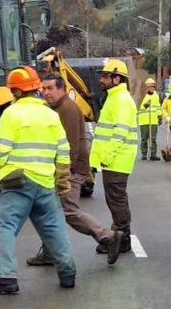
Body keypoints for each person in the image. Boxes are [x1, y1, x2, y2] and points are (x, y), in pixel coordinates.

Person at [0, 66, 76, 295]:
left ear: (15, 91)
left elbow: (1, 151)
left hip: (17, 182)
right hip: (45, 182)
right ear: (36, 89)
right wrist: (62, 181)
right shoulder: (51, 115)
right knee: (53, 227)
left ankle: (6, 279)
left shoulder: (11, 114)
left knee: (5, 226)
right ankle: (68, 274)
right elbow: (63, 152)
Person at [26, 73, 123, 268]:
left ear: (61, 89)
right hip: (61, 168)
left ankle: (108, 237)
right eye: (43, 89)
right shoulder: (54, 108)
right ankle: (49, 252)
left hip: (72, 169)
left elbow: (70, 145)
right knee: (50, 210)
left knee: (68, 211)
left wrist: (64, 173)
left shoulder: (67, 109)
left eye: (50, 88)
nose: (46, 92)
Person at [90, 59, 138, 254]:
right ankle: (121, 237)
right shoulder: (114, 97)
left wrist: (107, 157)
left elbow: (120, 133)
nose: (101, 80)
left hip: (117, 160)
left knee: (117, 200)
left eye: (105, 76)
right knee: (115, 200)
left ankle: (121, 238)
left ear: (116, 79)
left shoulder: (121, 100)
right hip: (115, 160)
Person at [137, 77, 161, 161]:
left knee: (153, 139)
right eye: (149, 86)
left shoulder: (156, 96)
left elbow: (158, 107)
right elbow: (138, 107)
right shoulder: (142, 96)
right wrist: (146, 105)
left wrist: (159, 116)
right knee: (144, 138)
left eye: (153, 86)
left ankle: (153, 154)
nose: (151, 88)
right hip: (144, 120)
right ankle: (144, 154)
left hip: (153, 120)